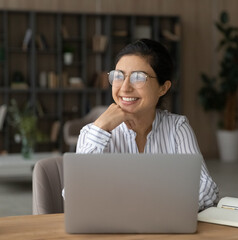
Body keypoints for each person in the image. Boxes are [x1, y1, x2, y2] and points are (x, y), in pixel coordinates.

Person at [75, 39, 219, 210]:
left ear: (163, 88)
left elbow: (206, 188)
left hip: (166, 228)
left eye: (138, 78)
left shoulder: (177, 128)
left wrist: (161, 209)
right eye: (119, 76)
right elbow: (75, 195)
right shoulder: (92, 133)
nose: (125, 88)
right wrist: (100, 129)